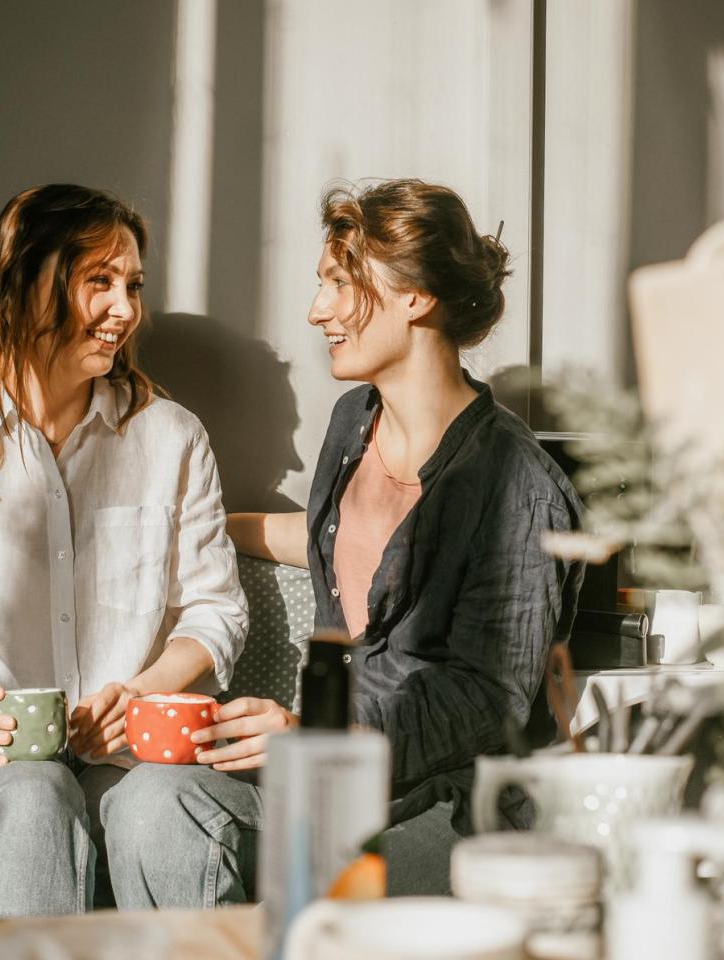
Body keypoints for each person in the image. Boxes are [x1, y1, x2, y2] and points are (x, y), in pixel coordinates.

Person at [100, 178, 584, 904]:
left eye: (337, 283)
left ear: (416, 296)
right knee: (147, 805)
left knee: (330, 893)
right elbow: (340, 538)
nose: (316, 310)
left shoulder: (519, 486)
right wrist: (194, 531)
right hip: (327, 786)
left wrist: (314, 734)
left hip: (444, 807)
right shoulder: (352, 420)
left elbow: (487, 700)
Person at [0, 184, 246, 918]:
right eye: (98, 281)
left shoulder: (171, 438)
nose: (126, 310)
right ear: (22, 286)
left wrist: (140, 693)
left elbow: (214, 612)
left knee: (161, 809)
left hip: (136, 764)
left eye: (132, 285)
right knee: (38, 795)